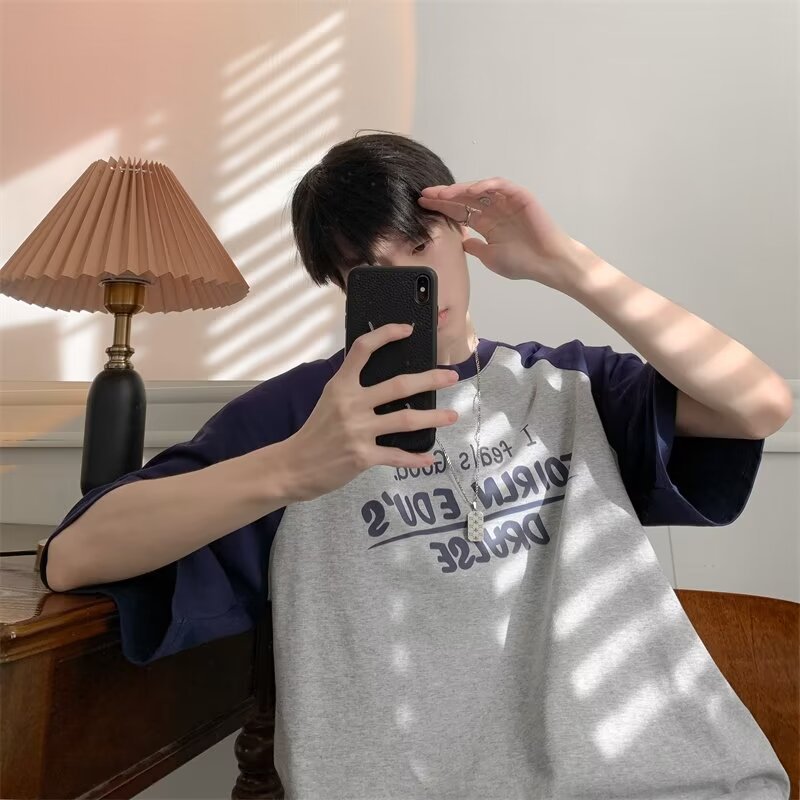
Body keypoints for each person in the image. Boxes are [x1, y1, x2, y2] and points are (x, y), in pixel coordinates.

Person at [41, 132, 792, 799]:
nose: (411, 281)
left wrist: (566, 265)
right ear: (343, 287)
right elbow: (74, 556)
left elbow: (758, 405)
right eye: (370, 268)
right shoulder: (301, 415)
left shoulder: (569, 387)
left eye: (418, 244)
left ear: (460, 232)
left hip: (676, 778)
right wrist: (293, 467)